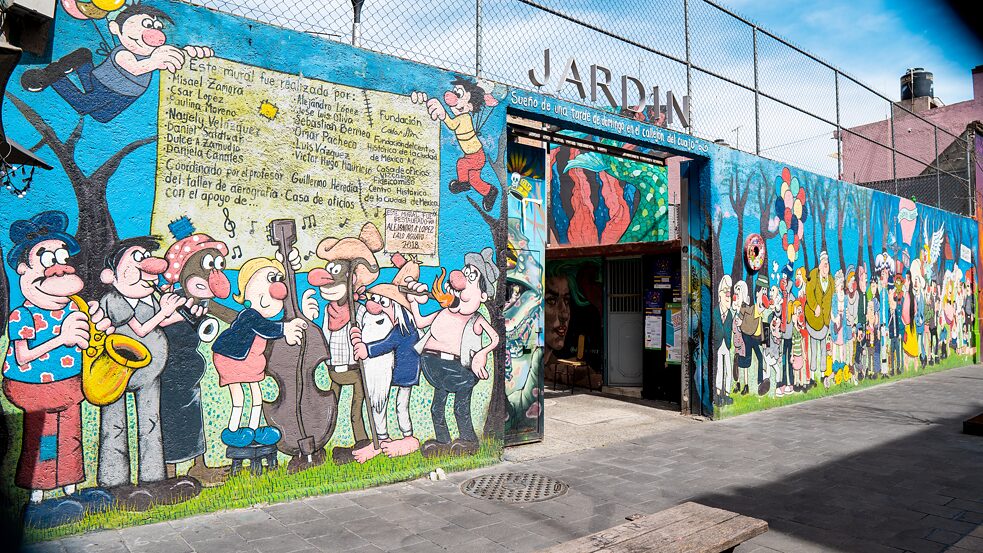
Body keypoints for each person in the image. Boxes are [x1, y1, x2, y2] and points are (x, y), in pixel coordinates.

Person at [3, 211, 114, 527]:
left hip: (69, 385)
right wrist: (61, 337)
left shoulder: (73, 306)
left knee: (71, 436)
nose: (60, 264)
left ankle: (71, 491)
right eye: (48, 257)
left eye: (63, 257)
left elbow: (89, 340)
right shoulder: (22, 314)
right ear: (25, 269)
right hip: (32, 386)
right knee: (44, 437)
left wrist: (99, 328)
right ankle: (38, 499)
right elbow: (23, 357)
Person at [98, 236, 204, 509]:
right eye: (136, 258)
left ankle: (154, 481)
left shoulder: (149, 296)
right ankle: (115, 483)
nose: (146, 265)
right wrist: (165, 310)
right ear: (111, 274)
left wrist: (189, 312)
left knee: (151, 425)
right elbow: (141, 329)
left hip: (149, 374)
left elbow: (164, 319)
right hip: (117, 372)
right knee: (116, 426)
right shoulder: (114, 299)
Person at [20, 4, 213, 123]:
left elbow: (171, 56)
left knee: (102, 117)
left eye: (156, 27)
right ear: (115, 28)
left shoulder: (153, 55)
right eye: (147, 24)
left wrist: (191, 53)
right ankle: (53, 77)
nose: (155, 33)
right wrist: (154, 61)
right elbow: (136, 68)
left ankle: (82, 60)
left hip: (125, 95)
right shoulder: (123, 54)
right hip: (105, 85)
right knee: (83, 105)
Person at [405, 248, 500, 456]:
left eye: (470, 278)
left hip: (460, 371)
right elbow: (420, 321)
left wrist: (482, 354)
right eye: (463, 274)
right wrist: (412, 301)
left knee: (460, 408)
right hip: (437, 369)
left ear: (483, 295)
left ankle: (468, 440)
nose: (461, 283)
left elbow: (495, 339)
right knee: (436, 409)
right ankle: (443, 442)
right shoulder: (443, 312)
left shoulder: (476, 319)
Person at [303, 223, 382, 464]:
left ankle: (362, 446)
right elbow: (321, 336)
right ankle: (316, 447)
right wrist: (307, 315)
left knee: (356, 412)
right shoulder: (328, 311)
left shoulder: (358, 310)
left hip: (354, 371)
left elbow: (373, 329)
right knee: (328, 410)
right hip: (333, 370)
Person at [212, 258, 306, 448]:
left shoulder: (261, 318)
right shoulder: (249, 315)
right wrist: (285, 329)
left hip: (249, 360)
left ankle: (253, 430)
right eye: (270, 279)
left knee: (256, 394)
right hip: (231, 358)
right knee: (239, 397)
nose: (277, 289)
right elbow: (265, 328)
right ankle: (233, 431)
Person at [349, 255, 423, 461]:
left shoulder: (403, 330)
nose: (378, 306)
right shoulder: (401, 327)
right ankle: (385, 437)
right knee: (397, 404)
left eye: (384, 302)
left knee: (401, 405)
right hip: (400, 370)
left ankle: (407, 437)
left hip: (405, 373)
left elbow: (386, 344)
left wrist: (366, 350)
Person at [713, 276, 734, 406]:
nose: (728, 294)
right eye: (725, 291)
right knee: (719, 369)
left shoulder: (730, 314)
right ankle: (719, 394)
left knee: (728, 370)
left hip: (726, 344)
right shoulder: (715, 312)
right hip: (718, 345)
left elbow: (730, 328)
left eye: (729, 291)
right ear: (719, 294)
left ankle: (726, 394)